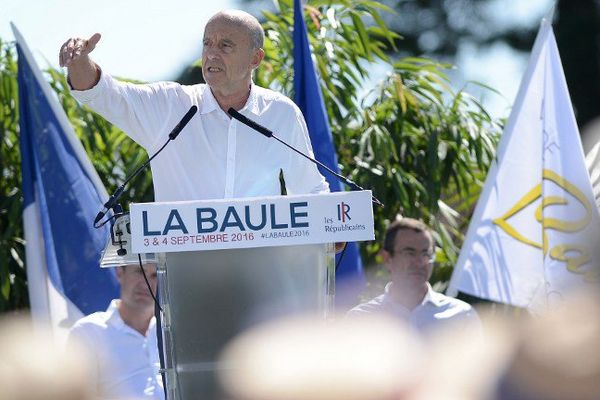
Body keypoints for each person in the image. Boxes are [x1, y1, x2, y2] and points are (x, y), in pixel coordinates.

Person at [59, 9, 329, 202]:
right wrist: (80, 62)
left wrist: (333, 228)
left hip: (261, 274)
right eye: (207, 43)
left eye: (225, 45)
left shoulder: (281, 113)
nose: (212, 53)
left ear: (255, 58)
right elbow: (103, 94)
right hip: (183, 275)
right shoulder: (170, 106)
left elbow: (311, 190)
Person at [347, 217, 479, 333]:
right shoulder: (361, 320)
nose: (420, 262)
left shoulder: (461, 316)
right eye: (409, 253)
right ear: (387, 258)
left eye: (425, 254)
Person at [67, 263, 164, 399]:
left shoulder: (175, 331)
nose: (146, 283)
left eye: (155, 275)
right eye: (139, 272)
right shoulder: (88, 332)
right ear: (119, 273)